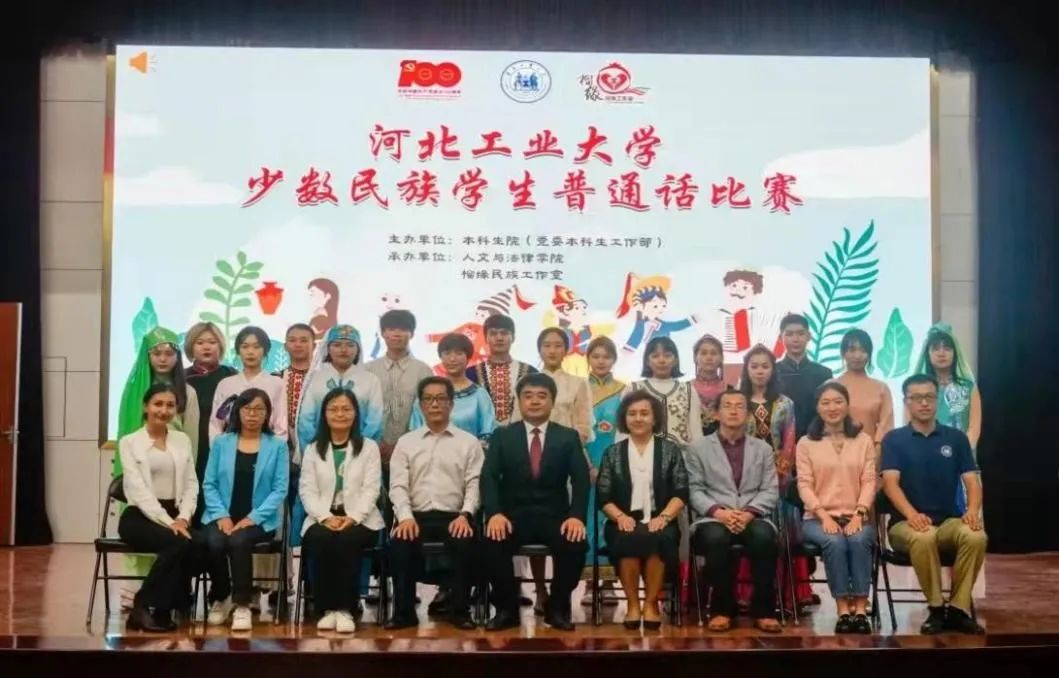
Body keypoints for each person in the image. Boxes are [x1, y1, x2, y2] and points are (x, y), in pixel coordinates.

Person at [481, 373, 590, 631]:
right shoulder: (503, 436)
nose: (535, 401)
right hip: (512, 517)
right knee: (491, 543)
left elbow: (581, 480)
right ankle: (506, 609)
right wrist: (494, 513)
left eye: (542, 396)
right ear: (519, 401)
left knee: (575, 544)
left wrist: (576, 516)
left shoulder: (568, 437)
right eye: (528, 396)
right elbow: (488, 477)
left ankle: (557, 608)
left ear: (552, 401)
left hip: (555, 517)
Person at [881, 374, 986, 635]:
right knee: (924, 535)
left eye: (929, 397)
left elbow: (972, 482)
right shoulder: (894, 439)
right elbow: (890, 484)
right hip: (905, 525)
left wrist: (972, 512)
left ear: (937, 400)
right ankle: (936, 609)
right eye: (917, 398)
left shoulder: (956, 438)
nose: (924, 403)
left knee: (975, 536)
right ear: (906, 402)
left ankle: (959, 610)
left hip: (949, 522)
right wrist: (912, 515)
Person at [388, 377, 484, 631]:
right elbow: (398, 485)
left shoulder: (468, 442)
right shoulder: (406, 442)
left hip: (455, 516)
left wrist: (466, 515)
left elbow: (474, 484)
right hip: (415, 516)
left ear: (451, 404)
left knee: (465, 541)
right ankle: (404, 613)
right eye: (428, 399)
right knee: (400, 544)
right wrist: (405, 517)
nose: (435, 404)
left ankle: (460, 611)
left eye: (441, 399)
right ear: (421, 405)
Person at [685, 388, 782, 633]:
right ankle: (721, 610)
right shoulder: (697, 449)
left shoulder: (763, 449)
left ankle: (764, 610)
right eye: (727, 406)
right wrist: (720, 513)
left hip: (753, 515)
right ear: (716, 414)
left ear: (749, 415)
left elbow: (770, 489)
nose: (734, 411)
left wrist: (748, 513)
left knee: (764, 538)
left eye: (740, 406)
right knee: (716, 538)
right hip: (712, 518)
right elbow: (694, 490)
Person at [114, 326, 200, 595]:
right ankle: (136, 592)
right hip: (143, 477)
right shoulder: (134, 389)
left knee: (188, 541)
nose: (163, 358)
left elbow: (192, 439)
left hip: (175, 477)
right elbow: (126, 432)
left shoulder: (188, 392)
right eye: (157, 353)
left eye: (169, 353)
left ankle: (171, 596)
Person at [597, 391, 688, 630]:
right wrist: (620, 517)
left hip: (661, 517)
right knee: (627, 536)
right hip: (622, 519)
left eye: (644, 413)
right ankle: (632, 604)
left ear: (655, 418)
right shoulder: (612, 453)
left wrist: (665, 517)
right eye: (632, 413)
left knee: (660, 536)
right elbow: (603, 497)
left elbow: (681, 492)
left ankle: (650, 603)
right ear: (624, 418)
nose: (638, 418)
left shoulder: (670, 450)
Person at [117, 383, 203, 632]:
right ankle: (144, 604)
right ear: (146, 407)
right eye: (158, 404)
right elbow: (138, 490)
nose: (164, 410)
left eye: (170, 405)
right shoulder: (129, 442)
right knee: (178, 543)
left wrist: (184, 517)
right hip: (139, 516)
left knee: (201, 544)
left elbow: (191, 483)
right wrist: (169, 522)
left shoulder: (182, 440)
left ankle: (164, 608)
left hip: (176, 514)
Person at [202, 389, 289, 631]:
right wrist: (222, 515)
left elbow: (280, 489)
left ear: (267, 414)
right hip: (222, 516)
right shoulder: (221, 443)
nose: (252, 414)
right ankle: (221, 597)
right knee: (214, 542)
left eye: (259, 409)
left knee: (239, 541)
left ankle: (242, 604)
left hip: (261, 520)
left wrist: (252, 518)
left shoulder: (277, 446)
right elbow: (209, 484)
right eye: (247, 408)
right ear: (238, 412)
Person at [298, 388, 384, 634]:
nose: (340, 414)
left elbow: (372, 489)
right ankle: (327, 609)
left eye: (346, 409)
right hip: (322, 516)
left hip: (362, 519)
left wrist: (353, 517)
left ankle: (346, 608)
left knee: (347, 540)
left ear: (356, 414)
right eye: (333, 409)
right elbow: (307, 489)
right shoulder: (314, 449)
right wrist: (325, 517)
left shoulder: (369, 447)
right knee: (320, 538)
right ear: (324, 414)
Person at [796, 382, 876, 634]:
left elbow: (869, 481)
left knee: (859, 539)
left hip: (856, 515)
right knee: (835, 541)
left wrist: (859, 514)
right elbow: (804, 485)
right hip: (816, 518)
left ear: (847, 405)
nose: (832, 407)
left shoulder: (863, 440)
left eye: (838, 401)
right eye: (826, 402)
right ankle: (842, 610)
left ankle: (860, 610)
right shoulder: (806, 443)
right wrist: (823, 516)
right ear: (817, 408)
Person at [739, 344, 809, 609]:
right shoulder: (737, 401)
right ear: (747, 370)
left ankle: (784, 594)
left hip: (779, 482)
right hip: (744, 480)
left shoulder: (785, 403)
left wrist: (780, 471)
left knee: (780, 539)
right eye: (754, 366)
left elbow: (789, 440)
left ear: (773, 369)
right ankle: (745, 595)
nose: (760, 371)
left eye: (765, 366)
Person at [915, 323, 982, 513]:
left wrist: (959, 454)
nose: (941, 353)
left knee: (967, 520)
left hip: (963, 463)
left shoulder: (969, 387)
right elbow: (911, 426)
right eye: (935, 348)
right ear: (928, 353)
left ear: (955, 352)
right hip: (927, 462)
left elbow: (974, 427)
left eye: (947, 348)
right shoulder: (918, 389)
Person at [296, 324, 384, 459]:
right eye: (337, 345)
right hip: (320, 453)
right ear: (327, 349)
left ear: (358, 349)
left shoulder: (370, 380)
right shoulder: (315, 378)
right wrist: (317, 449)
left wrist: (358, 449)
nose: (343, 350)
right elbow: (306, 421)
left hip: (360, 453)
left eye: (350, 345)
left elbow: (375, 421)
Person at [583, 337, 625, 604]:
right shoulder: (579, 388)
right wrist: (587, 465)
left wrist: (610, 467)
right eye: (596, 356)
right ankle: (589, 583)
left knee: (610, 520)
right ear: (588, 358)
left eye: (606, 356)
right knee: (587, 520)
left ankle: (609, 582)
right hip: (584, 466)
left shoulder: (624, 390)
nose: (601, 361)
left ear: (614, 360)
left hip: (614, 465)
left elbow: (625, 431)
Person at [364, 309, 434, 466]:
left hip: (413, 452)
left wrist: (402, 445)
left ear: (412, 334)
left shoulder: (424, 371)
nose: (397, 334)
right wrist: (376, 443)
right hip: (372, 450)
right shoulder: (367, 370)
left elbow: (428, 412)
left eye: (403, 329)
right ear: (383, 333)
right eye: (391, 329)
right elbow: (361, 410)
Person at [620, 336, 703, 450]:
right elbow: (622, 431)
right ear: (647, 361)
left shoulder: (688, 390)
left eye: (667, 355)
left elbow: (696, 433)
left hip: (681, 456)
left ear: (676, 360)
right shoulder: (634, 389)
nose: (662, 360)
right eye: (655, 356)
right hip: (641, 455)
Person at [409, 333, 496, 440]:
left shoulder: (479, 395)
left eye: (459, 353)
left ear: (468, 357)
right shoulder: (427, 394)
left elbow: (488, 433)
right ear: (440, 357)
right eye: (447, 353)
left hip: (469, 450)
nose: (452, 359)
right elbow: (415, 432)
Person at [184, 322, 237, 497]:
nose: (206, 347)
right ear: (191, 347)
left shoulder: (231, 375)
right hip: (190, 446)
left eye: (212, 342)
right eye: (200, 343)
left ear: (220, 346)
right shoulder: (181, 378)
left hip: (223, 447)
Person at [210, 326, 288, 443]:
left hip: (266, 445)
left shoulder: (277, 384)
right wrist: (219, 449)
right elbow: (216, 424)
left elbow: (281, 425)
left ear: (265, 350)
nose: (250, 352)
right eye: (245, 346)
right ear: (238, 351)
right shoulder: (225, 384)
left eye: (256, 347)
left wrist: (273, 450)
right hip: (230, 446)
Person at [466, 314, 537, 426]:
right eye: (493, 334)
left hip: (522, 434)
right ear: (486, 338)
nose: (499, 338)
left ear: (513, 337)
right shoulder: (470, 374)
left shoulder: (531, 372)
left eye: (504, 333)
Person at [836, 329, 894, 462]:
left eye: (863, 350)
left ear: (869, 354)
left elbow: (886, 427)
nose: (857, 356)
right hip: (836, 457)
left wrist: (875, 456)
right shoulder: (831, 387)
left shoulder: (881, 388)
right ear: (843, 353)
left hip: (871, 456)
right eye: (852, 350)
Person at [775, 313, 833, 441]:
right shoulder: (773, 372)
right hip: (779, 442)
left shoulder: (824, 374)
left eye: (801, 334)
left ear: (809, 336)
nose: (795, 339)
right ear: (780, 338)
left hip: (816, 440)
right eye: (789, 334)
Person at [275, 323, 316, 449]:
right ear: (285, 346)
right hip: (282, 446)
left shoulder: (323, 379)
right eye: (292, 340)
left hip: (318, 446)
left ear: (314, 346)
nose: (298, 344)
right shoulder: (276, 378)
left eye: (303, 340)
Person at [691, 334, 727, 437]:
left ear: (721, 358)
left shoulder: (729, 390)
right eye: (703, 353)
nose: (709, 357)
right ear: (695, 358)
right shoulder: (685, 389)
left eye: (714, 353)